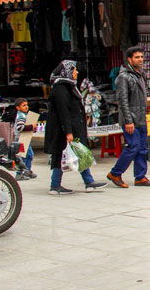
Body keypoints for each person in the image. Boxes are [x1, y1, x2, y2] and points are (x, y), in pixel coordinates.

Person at [45, 61, 108, 195]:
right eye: (74, 70)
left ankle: (88, 182)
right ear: (66, 71)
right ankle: (55, 185)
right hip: (63, 130)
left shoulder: (68, 86)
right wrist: (68, 132)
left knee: (79, 153)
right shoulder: (61, 89)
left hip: (71, 128)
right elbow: (64, 112)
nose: (77, 72)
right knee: (62, 155)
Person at [107, 46, 150, 188]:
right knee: (133, 147)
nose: (140, 59)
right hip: (131, 119)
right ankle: (115, 173)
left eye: (141, 57)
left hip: (141, 117)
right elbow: (122, 101)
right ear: (129, 59)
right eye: (137, 57)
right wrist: (128, 121)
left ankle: (140, 177)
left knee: (142, 148)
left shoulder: (140, 74)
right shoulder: (123, 77)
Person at [12, 98, 36, 181]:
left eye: (26, 105)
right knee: (22, 157)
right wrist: (32, 127)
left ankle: (27, 171)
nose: (26, 107)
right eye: (23, 105)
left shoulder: (25, 115)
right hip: (21, 139)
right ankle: (20, 174)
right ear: (18, 108)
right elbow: (20, 127)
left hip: (25, 138)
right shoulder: (21, 116)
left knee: (29, 155)